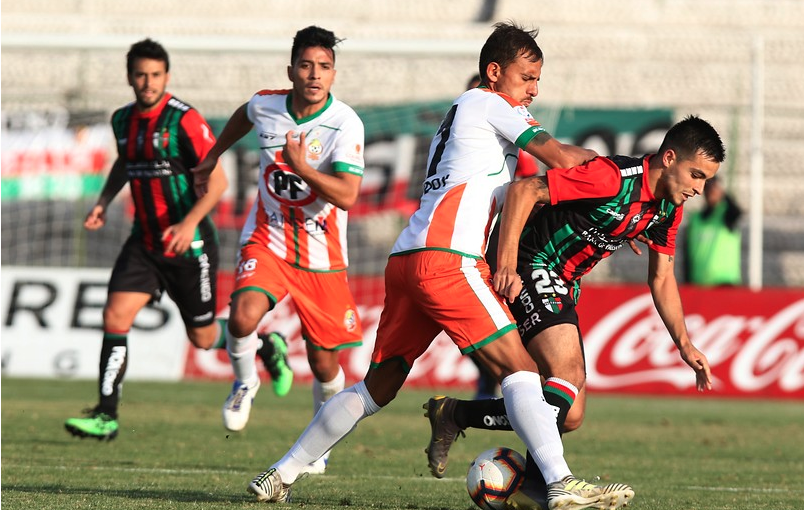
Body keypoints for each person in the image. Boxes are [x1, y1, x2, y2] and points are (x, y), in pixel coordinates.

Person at [246, 21, 634, 510]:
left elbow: (501, 190)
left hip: (409, 259)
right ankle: (559, 483)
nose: (534, 89)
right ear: (494, 72)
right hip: (448, 262)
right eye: (526, 76)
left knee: (376, 388)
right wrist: (623, 179)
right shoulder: (490, 103)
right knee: (520, 370)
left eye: (538, 78)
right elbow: (560, 157)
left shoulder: (464, 113)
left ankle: (279, 474)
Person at [424, 115, 721, 509]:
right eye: (696, 175)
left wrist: (685, 344)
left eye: (706, 180)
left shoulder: (667, 208)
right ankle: (552, 485)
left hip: (563, 283)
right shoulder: (612, 178)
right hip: (533, 263)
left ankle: (456, 414)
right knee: (568, 374)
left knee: (569, 414)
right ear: (669, 157)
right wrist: (507, 264)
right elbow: (524, 190)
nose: (699, 189)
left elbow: (662, 279)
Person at [191, 26, 365, 475]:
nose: (314, 74)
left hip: (322, 255)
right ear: (291, 70)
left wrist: (302, 166)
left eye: (324, 67)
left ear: (333, 74)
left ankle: (320, 439)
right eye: (306, 65)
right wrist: (212, 155)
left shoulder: (345, 123)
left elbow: (347, 195)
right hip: (267, 237)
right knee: (244, 313)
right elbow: (244, 115)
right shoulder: (266, 104)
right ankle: (245, 382)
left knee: (325, 363)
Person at [63, 38, 231, 441]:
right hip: (145, 243)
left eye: (155, 75)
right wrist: (104, 200)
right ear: (129, 77)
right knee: (115, 317)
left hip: (189, 246)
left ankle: (263, 344)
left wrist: (189, 223)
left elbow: (219, 181)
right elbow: (126, 160)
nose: (147, 82)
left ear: (166, 77)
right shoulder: (122, 120)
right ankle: (106, 415)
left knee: (204, 337)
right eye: (140, 74)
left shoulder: (184, 120)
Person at [464, 72, 537, 400]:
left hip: (494, 247)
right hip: (460, 250)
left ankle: (480, 399)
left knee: (501, 338)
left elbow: (530, 190)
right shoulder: (462, 136)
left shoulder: (512, 143)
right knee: (498, 348)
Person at [682, 174, 743, 285]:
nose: (711, 192)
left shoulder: (726, 216)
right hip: (698, 282)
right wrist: (687, 280)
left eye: (714, 188)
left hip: (725, 282)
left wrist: (723, 194)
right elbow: (687, 253)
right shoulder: (695, 219)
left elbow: (737, 212)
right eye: (708, 188)